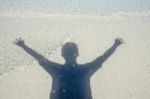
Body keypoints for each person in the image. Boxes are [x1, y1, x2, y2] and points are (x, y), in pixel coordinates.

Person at [14, 37, 124, 99]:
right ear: (77, 54)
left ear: (62, 55)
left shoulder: (56, 70)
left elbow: (39, 57)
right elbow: (102, 58)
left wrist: (24, 46)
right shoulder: (85, 70)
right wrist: (115, 45)